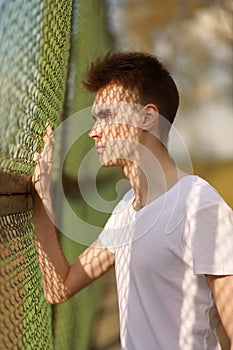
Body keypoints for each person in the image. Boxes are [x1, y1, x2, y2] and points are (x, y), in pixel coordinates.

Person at [32, 52, 233, 350]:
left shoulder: (198, 203)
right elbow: (59, 286)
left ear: (147, 117)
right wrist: (40, 200)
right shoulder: (126, 210)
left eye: (106, 116)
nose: (93, 132)